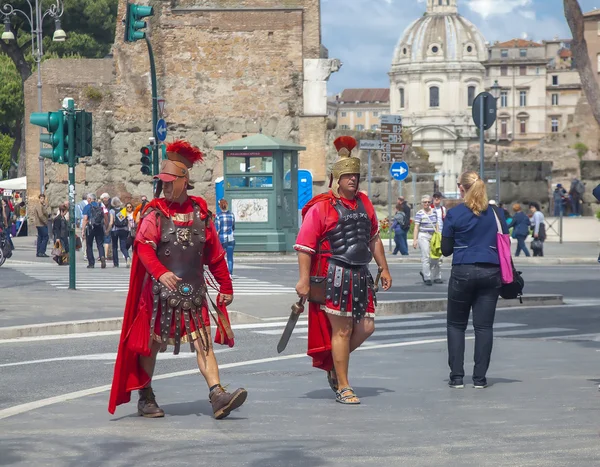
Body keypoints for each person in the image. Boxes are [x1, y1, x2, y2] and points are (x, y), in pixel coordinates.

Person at [109, 140, 247, 420]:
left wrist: (226, 286)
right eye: (164, 181)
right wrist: (160, 272)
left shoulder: (200, 213)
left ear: (186, 181)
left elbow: (215, 254)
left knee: (203, 342)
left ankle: (217, 394)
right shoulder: (154, 213)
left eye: (172, 181)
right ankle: (145, 396)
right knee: (152, 345)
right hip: (159, 295)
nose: (166, 186)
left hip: (194, 292)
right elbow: (143, 247)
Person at [294, 136, 392, 405]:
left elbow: (373, 238)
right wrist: (303, 280)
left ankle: (334, 365)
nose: (353, 180)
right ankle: (344, 385)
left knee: (367, 327)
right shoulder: (321, 207)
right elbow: (305, 246)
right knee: (342, 331)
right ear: (337, 178)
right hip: (334, 274)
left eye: (356, 176)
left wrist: (384, 268)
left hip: (361, 273)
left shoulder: (364, 203)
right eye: (348, 176)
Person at [442, 171, 508, 389]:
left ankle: (457, 377)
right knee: (484, 327)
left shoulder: (455, 213)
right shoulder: (496, 213)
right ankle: (480, 379)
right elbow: (504, 241)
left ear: (461, 188)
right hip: (491, 271)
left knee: (456, 325)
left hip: (463, 270)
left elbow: (446, 250)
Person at [413, 195, 440, 286]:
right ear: (421, 203)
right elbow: (416, 227)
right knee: (426, 256)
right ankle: (427, 277)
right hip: (423, 235)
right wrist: (415, 240)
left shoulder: (434, 212)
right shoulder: (419, 213)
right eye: (425, 202)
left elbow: (436, 224)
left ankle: (436, 276)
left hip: (433, 235)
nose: (427, 204)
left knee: (436, 256)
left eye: (428, 202)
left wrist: (438, 234)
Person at [81, 193, 107, 269]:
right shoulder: (101, 206)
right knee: (100, 243)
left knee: (89, 245)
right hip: (99, 227)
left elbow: (85, 219)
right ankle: (102, 256)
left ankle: (91, 263)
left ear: (89, 199)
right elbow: (105, 216)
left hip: (90, 227)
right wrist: (106, 226)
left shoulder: (87, 207)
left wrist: (83, 230)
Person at [215, 199, 236, 276]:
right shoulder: (231, 214)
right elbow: (233, 227)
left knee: (221, 257)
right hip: (231, 238)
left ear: (219, 206)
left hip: (222, 239)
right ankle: (230, 274)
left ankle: (222, 273)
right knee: (230, 258)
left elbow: (217, 229)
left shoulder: (218, 216)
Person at [109, 197, 131, 268]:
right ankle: (127, 257)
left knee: (114, 246)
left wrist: (107, 229)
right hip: (124, 230)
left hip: (115, 230)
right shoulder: (123, 210)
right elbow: (127, 221)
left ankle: (116, 263)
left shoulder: (112, 211)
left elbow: (111, 222)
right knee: (123, 246)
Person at [32, 193, 49, 258]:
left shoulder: (41, 205)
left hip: (39, 224)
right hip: (41, 224)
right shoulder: (39, 205)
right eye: (41, 198)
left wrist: (45, 206)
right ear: (39, 199)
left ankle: (39, 252)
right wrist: (45, 222)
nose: (42, 200)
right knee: (45, 237)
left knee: (40, 237)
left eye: (43, 198)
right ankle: (41, 251)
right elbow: (41, 215)